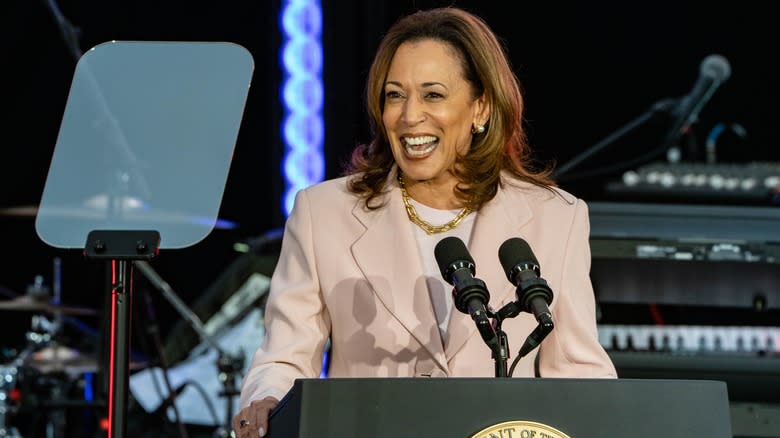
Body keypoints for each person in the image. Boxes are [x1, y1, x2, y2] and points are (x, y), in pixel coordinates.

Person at [233, 6, 616, 437]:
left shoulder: (555, 218)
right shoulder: (323, 214)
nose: (409, 115)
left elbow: (581, 374)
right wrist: (265, 400)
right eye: (395, 95)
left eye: (433, 95)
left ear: (481, 108)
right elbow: (284, 357)